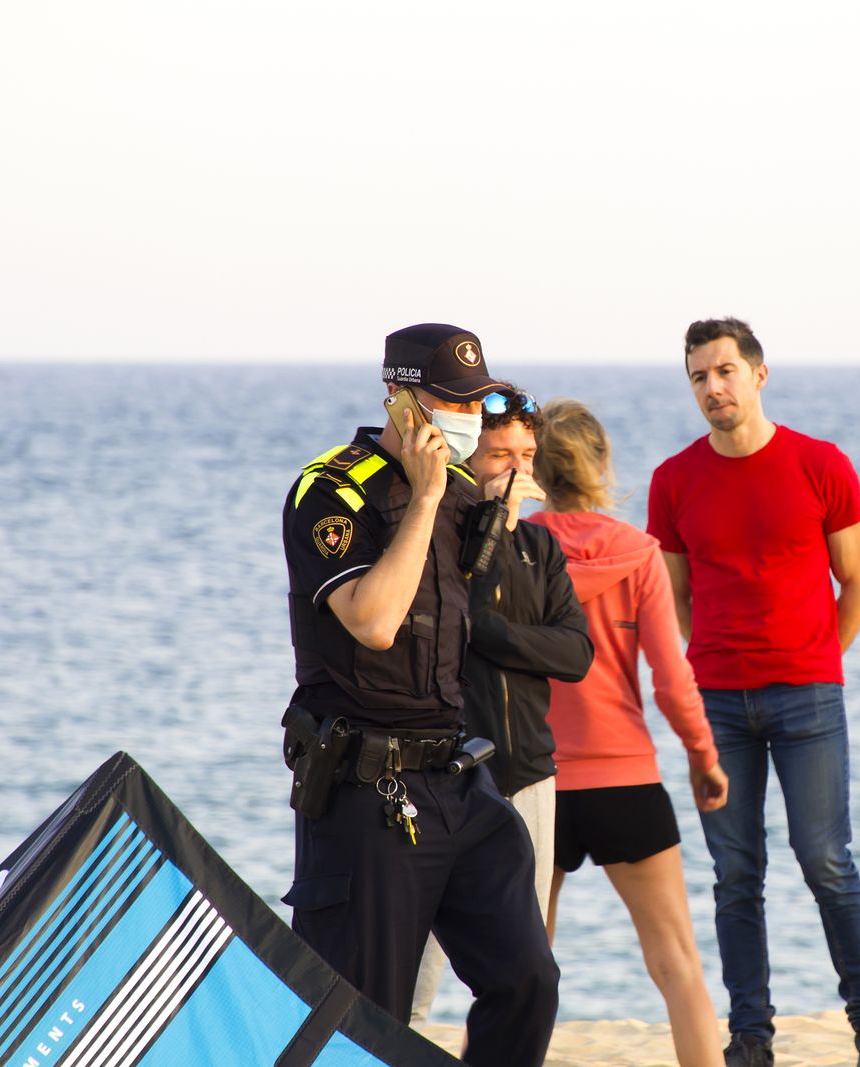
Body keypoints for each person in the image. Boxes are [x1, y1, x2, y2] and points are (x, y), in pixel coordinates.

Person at [280, 323, 557, 1067]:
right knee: (361, 1018)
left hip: (458, 781)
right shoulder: (329, 488)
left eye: (478, 403)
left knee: (528, 977)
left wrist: (484, 504)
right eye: (452, 402)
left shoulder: (465, 492)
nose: (467, 418)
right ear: (400, 398)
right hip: (369, 790)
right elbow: (373, 620)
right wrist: (429, 494)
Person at [648, 318, 860, 1067]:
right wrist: (704, 665)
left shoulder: (819, 463)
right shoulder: (674, 479)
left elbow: (857, 579)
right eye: (698, 376)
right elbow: (678, 595)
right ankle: (751, 1036)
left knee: (827, 860)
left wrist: (821, 652)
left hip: (808, 698)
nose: (712, 388)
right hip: (718, 702)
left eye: (724, 370)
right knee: (735, 875)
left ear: (759, 374)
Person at [525, 399, 729, 1067]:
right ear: (601, 465)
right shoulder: (638, 554)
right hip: (625, 780)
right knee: (677, 964)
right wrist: (703, 756)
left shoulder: (514, 550)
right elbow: (672, 678)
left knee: (517, 971)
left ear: (537, 468)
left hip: (534, 783)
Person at [410, 384, 595, 1025]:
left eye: (526, 454)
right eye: (498, 455)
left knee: (525, 962)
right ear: (467, 459)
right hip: (455, 772)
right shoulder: (439, 539)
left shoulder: (540, 547)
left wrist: (500, 638)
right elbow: (458, 624)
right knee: (419, 971)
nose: (516, 470)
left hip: (533, 772)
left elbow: (576, 654)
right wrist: (487, 529)